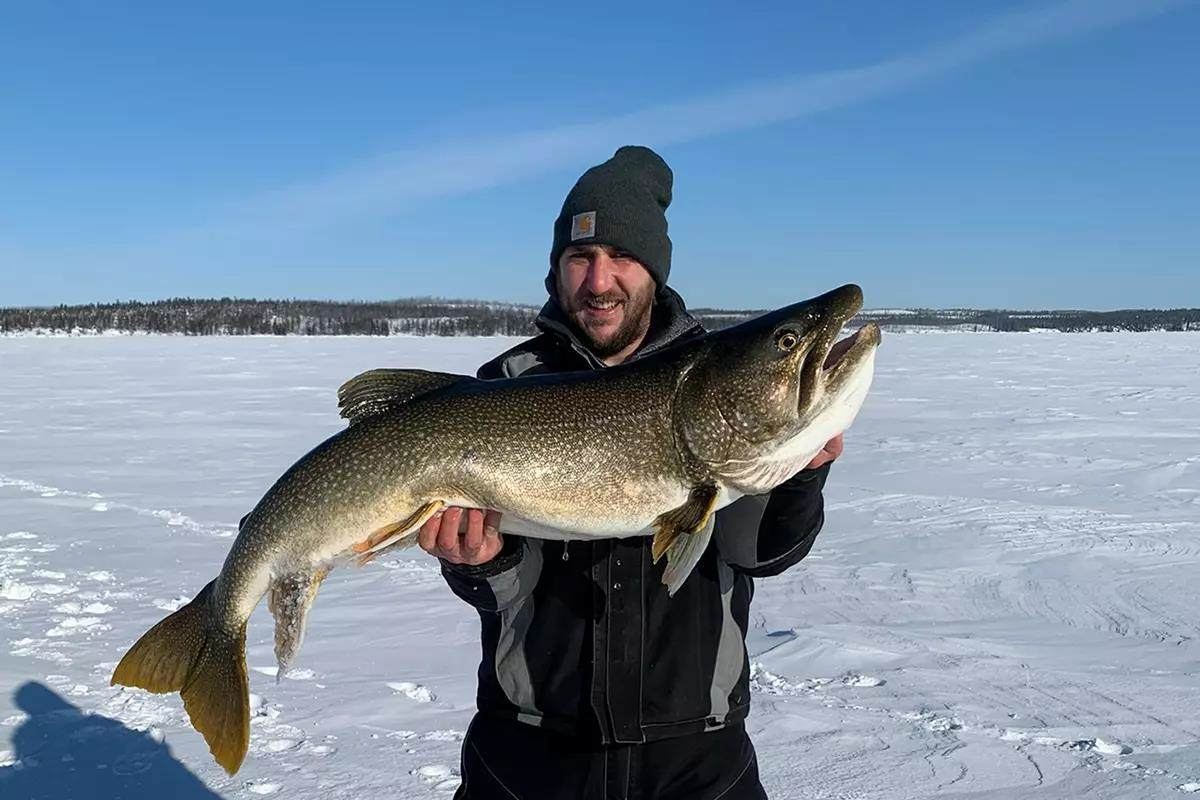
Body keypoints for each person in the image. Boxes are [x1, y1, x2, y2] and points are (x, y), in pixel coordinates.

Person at [418, 145, 843, 799]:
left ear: (655, 270)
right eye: (579, 258)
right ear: (557, 271)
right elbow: (503, 598)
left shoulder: (717, 379)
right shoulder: (507, 387)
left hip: (698, 763)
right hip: (529, 760)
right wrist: (479, 564)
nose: (599, 280)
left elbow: (755, 553)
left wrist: (801, 473)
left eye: (621, 257)